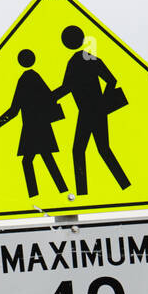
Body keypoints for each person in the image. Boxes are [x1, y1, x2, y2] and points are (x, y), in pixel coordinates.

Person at [51, 25, 130, 196]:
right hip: (98, 111)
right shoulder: (91, 59)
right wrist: (103, 102)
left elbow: (66, 88)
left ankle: (82, 193)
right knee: (103, 149)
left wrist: (49, 97)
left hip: (87, 113)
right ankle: (125, 184)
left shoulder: (74, 62)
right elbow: (112, 81)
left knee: (79, 150)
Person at [0, 49, 68, 197]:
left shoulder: (25, 79)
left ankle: (36, 194)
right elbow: (50, 97)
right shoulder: (35, 77)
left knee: (30, 161)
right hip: (40, 126)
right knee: (45, 158)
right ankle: (61, 190)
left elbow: (14, 109)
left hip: (32, 129)